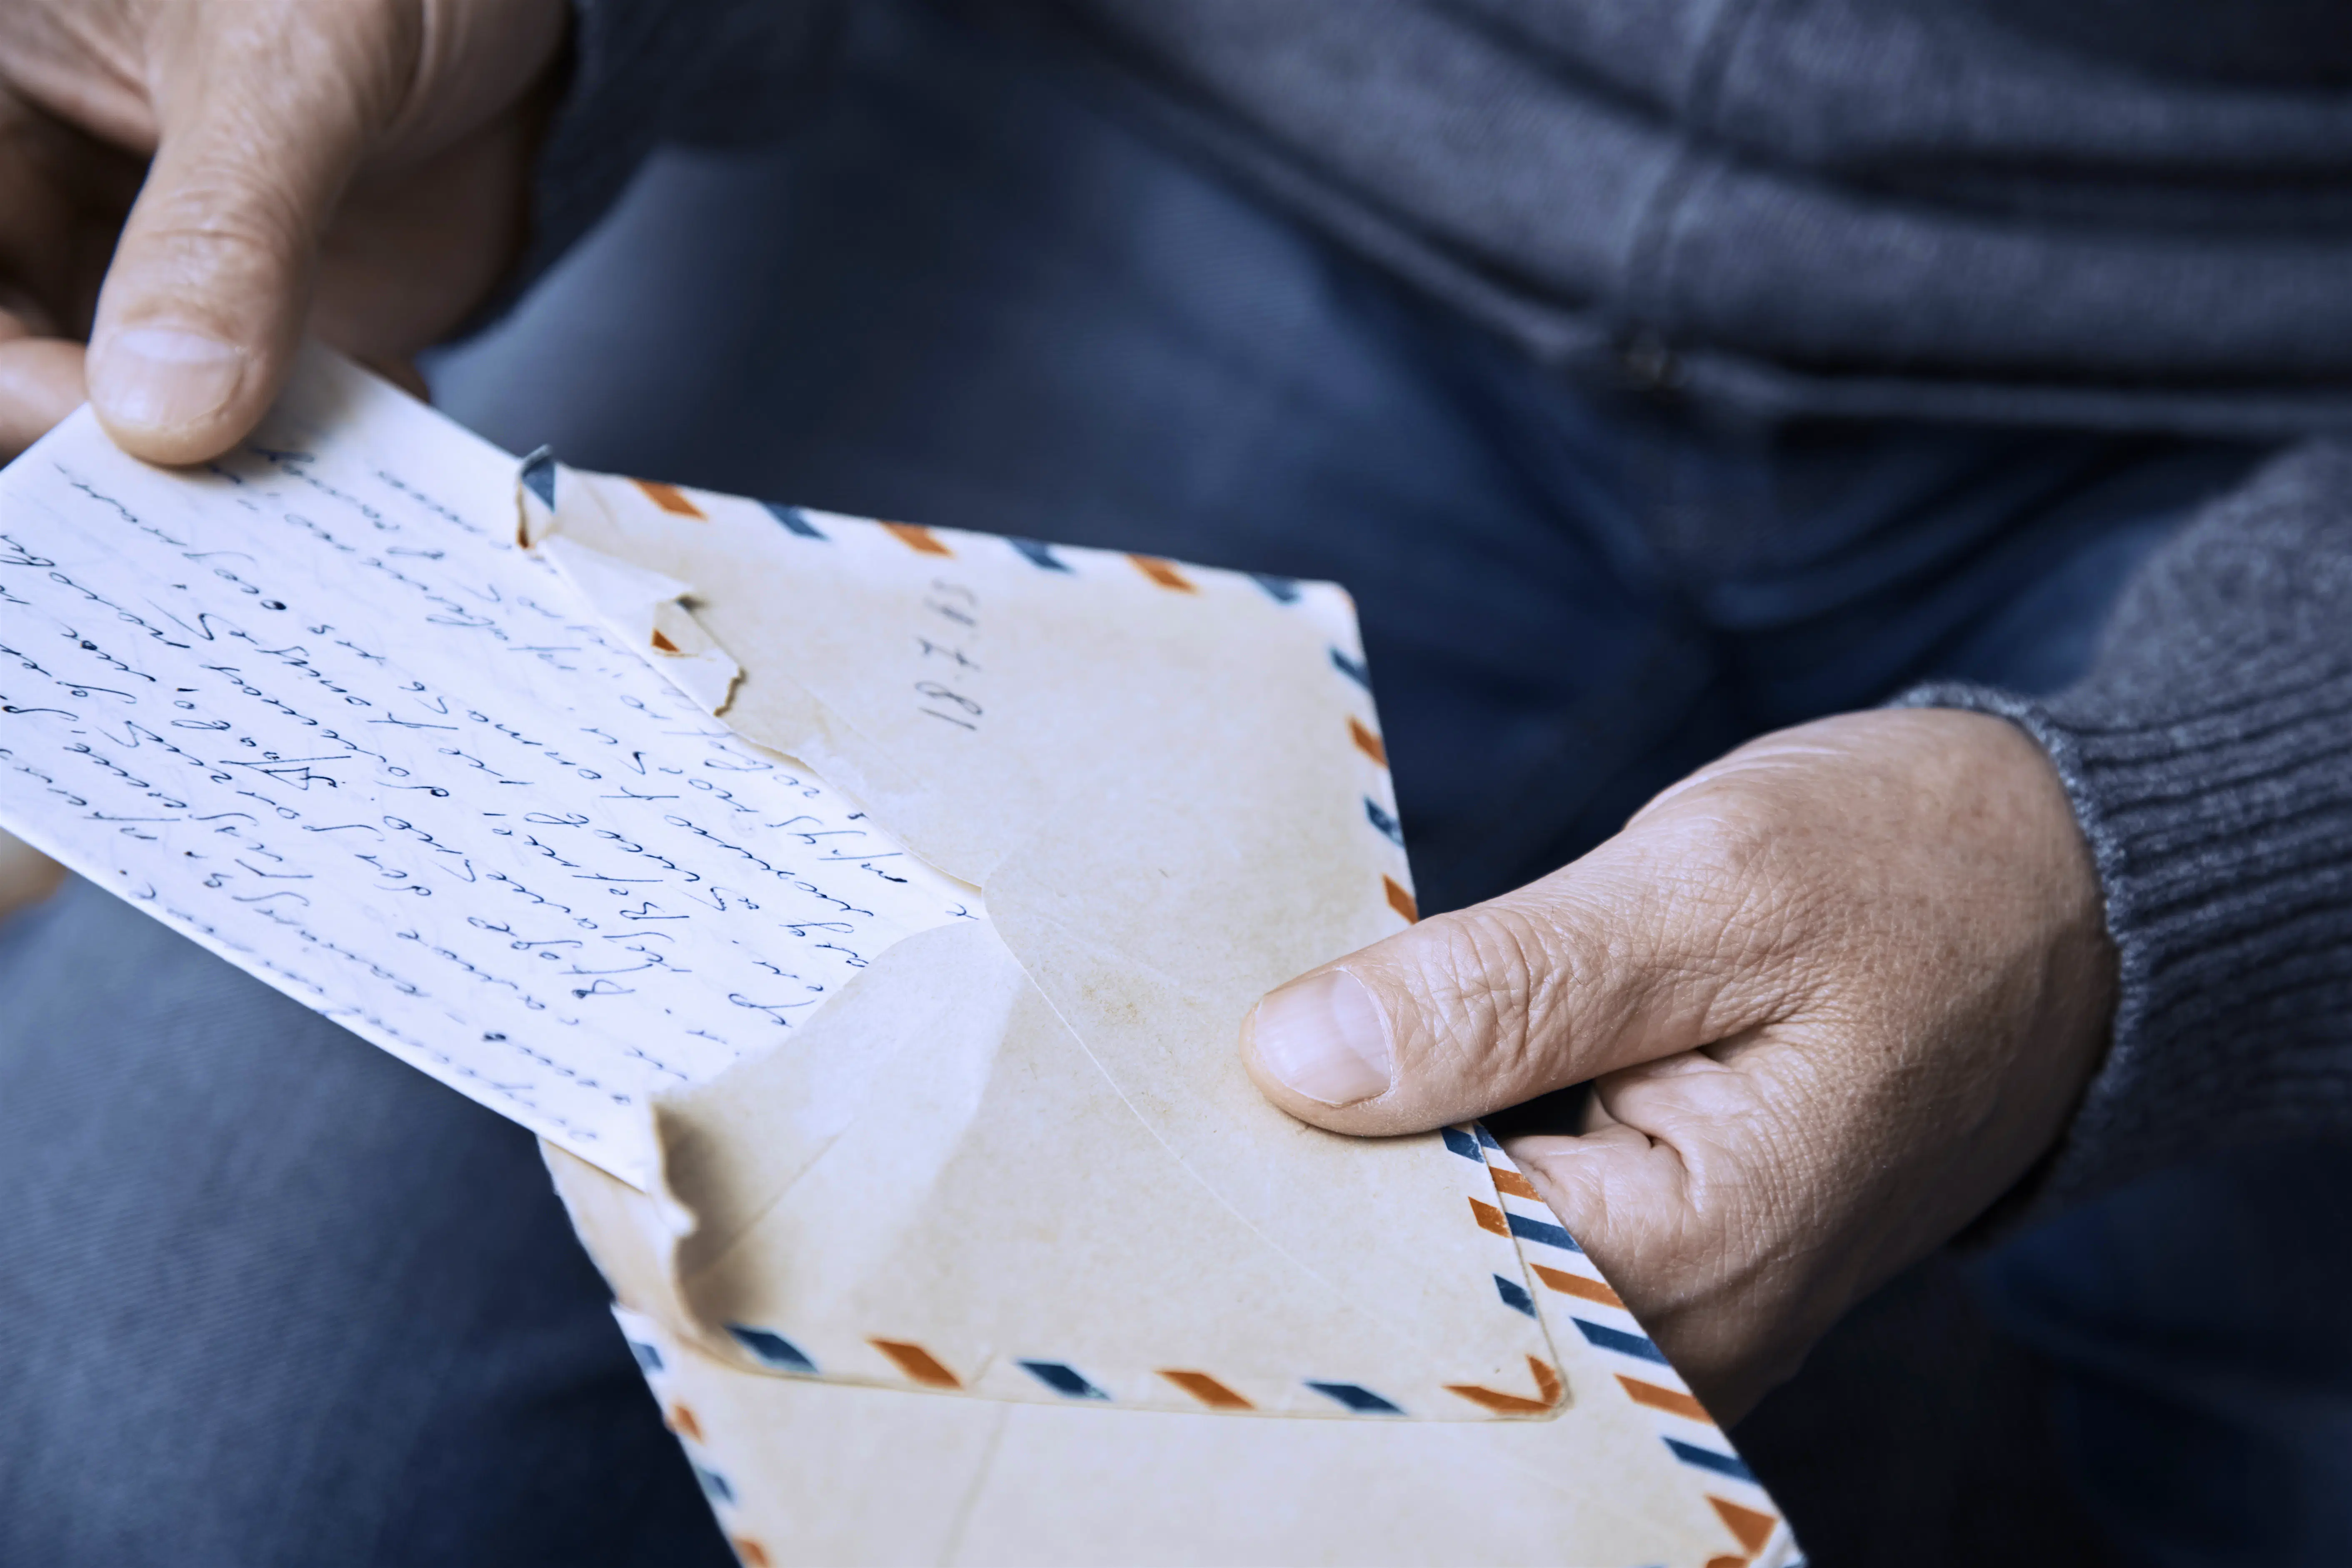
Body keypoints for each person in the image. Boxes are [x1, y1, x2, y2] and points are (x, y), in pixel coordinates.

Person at [0, 1, 2347, 1563]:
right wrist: (540, 47)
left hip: (2271, 368)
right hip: (1105, 99)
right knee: (176, 1429)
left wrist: (2192, 847)